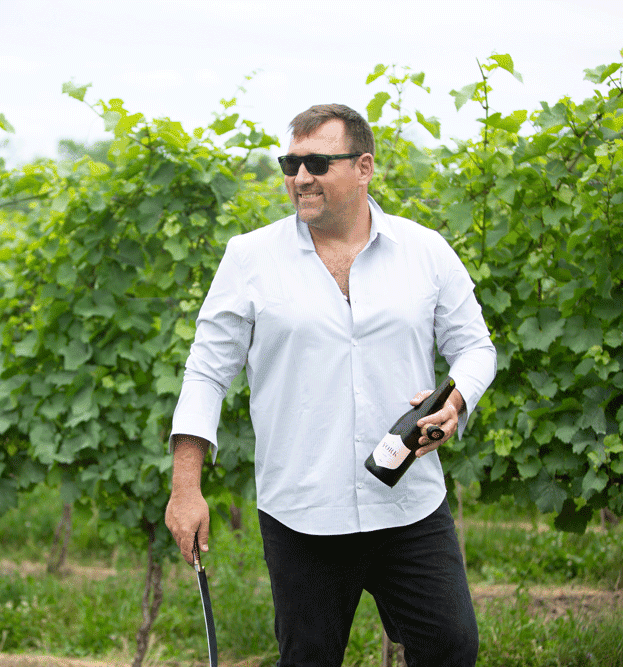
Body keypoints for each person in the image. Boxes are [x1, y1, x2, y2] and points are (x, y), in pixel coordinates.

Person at [164, 103, 497, 667]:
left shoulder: (426, 251)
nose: (299, 178)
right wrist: (185, 487)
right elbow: (206, 371)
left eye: (317, 162)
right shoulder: (250, 258)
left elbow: (475, 348)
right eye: (289, 164)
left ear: (364, 167)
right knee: (309, 658)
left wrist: (457, 400)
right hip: (302, 512)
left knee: (451, 650)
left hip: (408, 507)